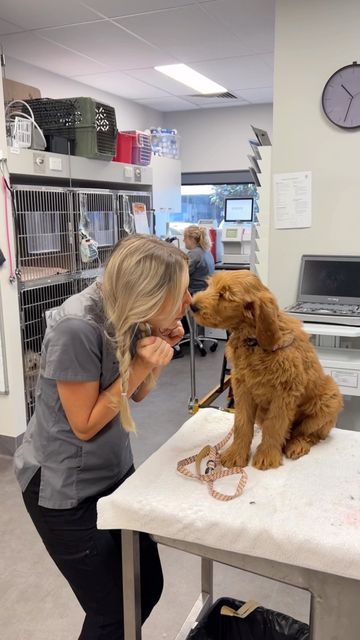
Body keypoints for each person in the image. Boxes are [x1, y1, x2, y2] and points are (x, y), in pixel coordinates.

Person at [14, 234, 192, 640]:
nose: (187, 303)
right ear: (149, 291)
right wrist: (140, 365)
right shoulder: (76, 327)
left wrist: (158, 350)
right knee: (112, 612)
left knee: (146, 587)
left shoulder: (132, 313)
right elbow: (85, 424)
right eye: (180, 293)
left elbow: (139, 394)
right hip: (64, 490)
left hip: (113, 473)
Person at [183, 225, 215, 294]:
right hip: (206, 293)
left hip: (195, 294)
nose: (183, 240)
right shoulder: (207, 252)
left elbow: (181, 274)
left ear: (192, 239)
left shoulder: (194, 254)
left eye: (185, 238)